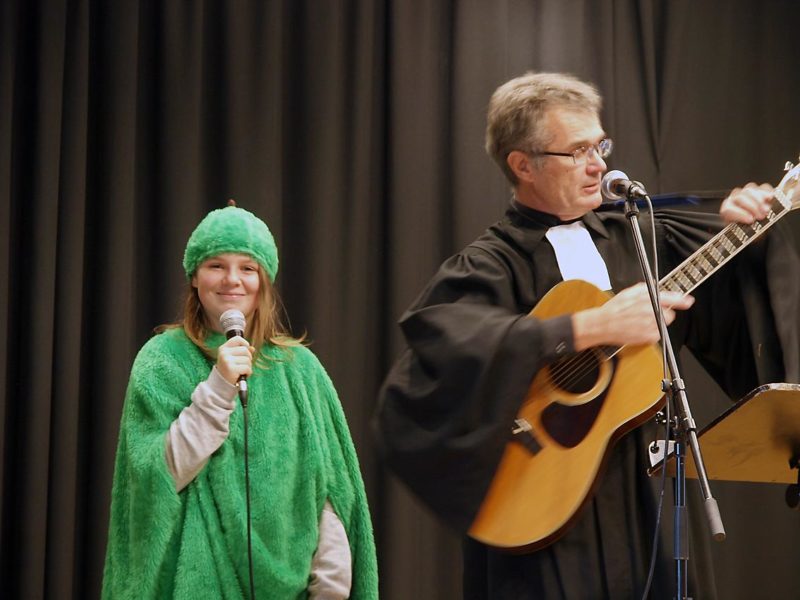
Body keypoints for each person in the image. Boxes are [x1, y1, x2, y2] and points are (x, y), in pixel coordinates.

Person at [374, 72, 800, 599]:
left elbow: (726, 313)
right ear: (522, 164)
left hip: (650, 497)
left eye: (600, 144)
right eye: (576, 151)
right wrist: (585, 327)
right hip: (545, 507)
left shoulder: (643, 236)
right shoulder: (488, 265)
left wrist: (741, 231)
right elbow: (446, 351)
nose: (599, 163)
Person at [102, 202, 379, 599]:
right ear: (194, 277)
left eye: (247, 268)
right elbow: (154, 481)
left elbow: (332, 494)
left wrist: (331, 590)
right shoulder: (161, 360)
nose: (232, 279)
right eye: (216, 265)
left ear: (263, 281)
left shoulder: (300, 369)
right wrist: (218, 387)